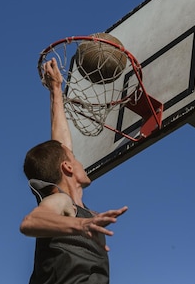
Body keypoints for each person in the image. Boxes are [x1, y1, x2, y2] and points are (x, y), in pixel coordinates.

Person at [20, 58, 128, 284]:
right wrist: (82, 224)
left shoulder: (77, 207)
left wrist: (56, 91)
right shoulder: (60, 201)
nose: (80, 161)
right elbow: (30, 222)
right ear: (68, 167)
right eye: (75, 159)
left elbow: (62, 147)